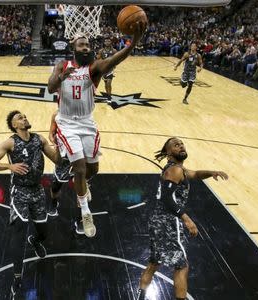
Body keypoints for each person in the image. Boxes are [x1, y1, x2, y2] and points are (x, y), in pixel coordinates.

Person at [47, 23, 145, 237]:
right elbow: (50, 87)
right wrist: (62, 77)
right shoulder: (61, 65)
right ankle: (85, 212)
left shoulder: (94, 68)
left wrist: (134, 41)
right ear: (73, 47)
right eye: (81, 45)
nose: (85, 48)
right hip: (67, 123)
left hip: (87, 123)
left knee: (92, 170)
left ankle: (82, 184)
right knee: (80, 169)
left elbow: (116, 59)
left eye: (88, 45)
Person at [136, 137, 228, 300]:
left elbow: (195, 174)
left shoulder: (178, 169)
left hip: (157, 221)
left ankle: (140, 296)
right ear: (168, 153)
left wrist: (211, 172)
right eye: (175, 145)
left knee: (154, 262)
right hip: (168, 222)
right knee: (181, 266)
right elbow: (166, 197)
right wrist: (186, 218)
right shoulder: (175, 171)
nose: (180, 146)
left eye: (181, 143)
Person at [0, 110, 60, 296]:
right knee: (18, 231)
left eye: (24, 116)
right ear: (14, 125)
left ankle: (35, 240)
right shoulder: (10, 142)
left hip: (37, 191)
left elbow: (57, 159)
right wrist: (9, 166)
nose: (24, 118)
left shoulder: (39, 140)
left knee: (44, 232)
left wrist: (64, 147)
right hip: (19, 191)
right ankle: (17, 277)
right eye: (20, 118)